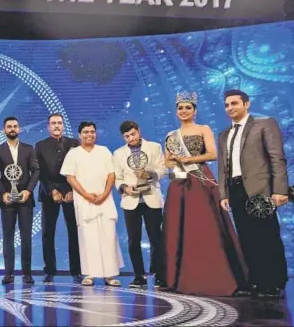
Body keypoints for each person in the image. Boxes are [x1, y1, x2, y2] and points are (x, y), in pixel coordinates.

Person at [163, 92, 247, 297]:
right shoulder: (171, 135)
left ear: (194, 110)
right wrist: (175, 161)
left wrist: (188, 157)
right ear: (176, 111)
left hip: (201, 179)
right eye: (180, 108)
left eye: (188, 108)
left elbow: (212, 154)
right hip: (180, 182)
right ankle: (178, 277)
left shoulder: (203, 129)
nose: (184, 111)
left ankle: (217, 275)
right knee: (178, 226)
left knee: (205, 225)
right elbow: (167, 162)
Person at [218, 89, 289, 299]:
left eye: (234, 103)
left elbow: (277, 158)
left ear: (246, 104)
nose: (230, 108)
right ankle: (256, 280)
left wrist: (279, 190)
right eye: (227, 105)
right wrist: (223, 193)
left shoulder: (264, 124)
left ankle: (274, 282)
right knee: (247, 237)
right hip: (236, 189)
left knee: (267, 235)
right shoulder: (224, 134)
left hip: (260, 189)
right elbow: (222, 168)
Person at [61, 121, 123, 287]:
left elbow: (111, 175)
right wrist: (87, 195)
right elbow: (70, 177)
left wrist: (103, 194)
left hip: (105, 200)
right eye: (86, 132)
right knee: (87, 238)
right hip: (84, 201)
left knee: (109, 237)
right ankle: (89, 274)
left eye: (92, 132)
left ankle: (110, 275)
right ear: (79, 135)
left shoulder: (104, 151)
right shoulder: (73, 154)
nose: (89, 135)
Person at [113, 121, 168, 289]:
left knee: (156, 239)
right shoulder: (118, 153)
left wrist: (149, 174)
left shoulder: (154, 147)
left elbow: (163, 169)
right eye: (127, 136)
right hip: (131, 201)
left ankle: (158, 275)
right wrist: (124, 188)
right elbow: (118, 177)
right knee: (133, 240)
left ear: (139, 131)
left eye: (133, 134)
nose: (131, 138)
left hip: (151, 197)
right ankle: (139, 275)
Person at [0, 117, 40, 284]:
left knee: (26, 237)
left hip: (25, 200)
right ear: (4, 130)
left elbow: (36, 171)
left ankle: (27, 273)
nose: (12, 129)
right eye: (9, 126)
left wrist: (28, 190)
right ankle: (9, 273)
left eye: (15, 126)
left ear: (19, 129)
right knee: (8, 237)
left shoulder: (28, 148)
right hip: (7, 201)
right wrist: (3, 193)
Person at [35, 113, 81, 283]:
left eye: (59, 123)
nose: (56, 126)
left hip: (70, 192)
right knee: (48, 232)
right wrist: (52, 190)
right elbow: (39, 171)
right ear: (48, 127)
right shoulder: (40, 145)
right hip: (49, 192)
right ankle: (49, 271)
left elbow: (78, 169)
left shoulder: (74, 144)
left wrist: (72, 190)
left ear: (63, 126)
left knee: (74, 232)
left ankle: (76, 270)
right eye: (53, 123)